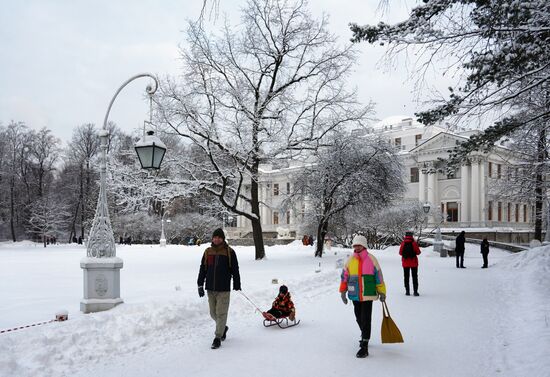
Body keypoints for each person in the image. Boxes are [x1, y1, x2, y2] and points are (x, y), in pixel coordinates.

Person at [339, 234, 386, 358]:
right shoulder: (350, 261)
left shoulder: (372, 259)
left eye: (359, 245)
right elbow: (344, 277)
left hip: (368, 294)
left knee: (366, 319)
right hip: (354, 294)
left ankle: (364, 344)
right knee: (359, 318)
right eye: (355, 245)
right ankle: (364, 334)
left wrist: (382, 291)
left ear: (364, 245)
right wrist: (343, 292)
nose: (357, 247)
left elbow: (379, 277)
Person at [197, 228, 241, 350]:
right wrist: (200, 284)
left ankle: (217, 337)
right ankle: (223, 327)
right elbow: (203, 268)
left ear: (222, 239)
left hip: (223, 288)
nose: (216, 239)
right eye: (215, 237)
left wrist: (237, 283)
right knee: (213, 313)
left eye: (219, 237)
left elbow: (235, 269)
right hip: (210, 288)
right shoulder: (208, 252)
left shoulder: (229, 252)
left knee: (221, 313)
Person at [399, 231, 421, 296]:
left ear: (405, 236)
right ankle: (415, 292)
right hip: (414, 263)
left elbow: (400, 253)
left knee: (406, 277)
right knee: (414, 277)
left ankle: (407, 291)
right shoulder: (414, 243)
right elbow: (418, 252)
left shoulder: (403, 243)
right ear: (411, 236)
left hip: (405, 263)